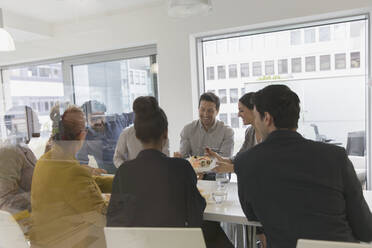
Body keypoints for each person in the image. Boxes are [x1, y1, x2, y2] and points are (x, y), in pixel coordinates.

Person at [235, 85, 372, 248]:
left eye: (256, 117)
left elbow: (251, 214)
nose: (255, 122)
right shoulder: (335, 156)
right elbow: (365, 229)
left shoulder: (245, 162)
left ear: (267, 118)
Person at [107, 96, 233, 248]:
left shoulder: (123, 172)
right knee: (214, 232)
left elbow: (114, 222)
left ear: (138, 135)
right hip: (175, 244)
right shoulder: (181, 167)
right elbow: (196, 214)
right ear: (165, 134)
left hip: (138, 244)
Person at [30, 106, 113, 248]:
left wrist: (122, 180)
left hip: (46, 241)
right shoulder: (71, 171)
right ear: (82, 135)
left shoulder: (45, 160)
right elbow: (103, 218)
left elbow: (80, 182)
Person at [175, 92, 234, 180]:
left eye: (210, 111)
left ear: (217, 111)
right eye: (202, 109)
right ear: (198, 109)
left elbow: (224, 161)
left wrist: (202, 169)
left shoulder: (227, 132)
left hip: (217, 174)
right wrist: (179, 159)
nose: (205, 114)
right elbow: (184, 157)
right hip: (194, 173)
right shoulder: (188, 129)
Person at [206, 92, 261, 173]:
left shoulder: (268, 134)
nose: (238, 115)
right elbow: (240, 158)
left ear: (254, 110)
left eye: (241, 110)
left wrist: (232, 168)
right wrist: (219, 158)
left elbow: (262, 166)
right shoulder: (250, 132)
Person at [0, 106, 39, 215]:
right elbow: (4, 202)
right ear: (18, 125)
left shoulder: (23, 148)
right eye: (34, 122)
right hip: (21, 223)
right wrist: (41, 194)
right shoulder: (9, 151)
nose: (38, 126)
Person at [76, 100, 134, 174]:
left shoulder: (116, 121)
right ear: (86, 120)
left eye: (101, 117)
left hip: (129, 169)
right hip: (108, 175)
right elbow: (80, 163)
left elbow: (136, 115)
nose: (99, 122)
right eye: (94, 119)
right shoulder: (85, 137)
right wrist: (92, 170)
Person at [113, 101, 170, 168]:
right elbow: (117, 157)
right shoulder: (127, 133)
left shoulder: (160, 131)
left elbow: (165, 153)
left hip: (158, 169)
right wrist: (127, 169)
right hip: (133, 172)